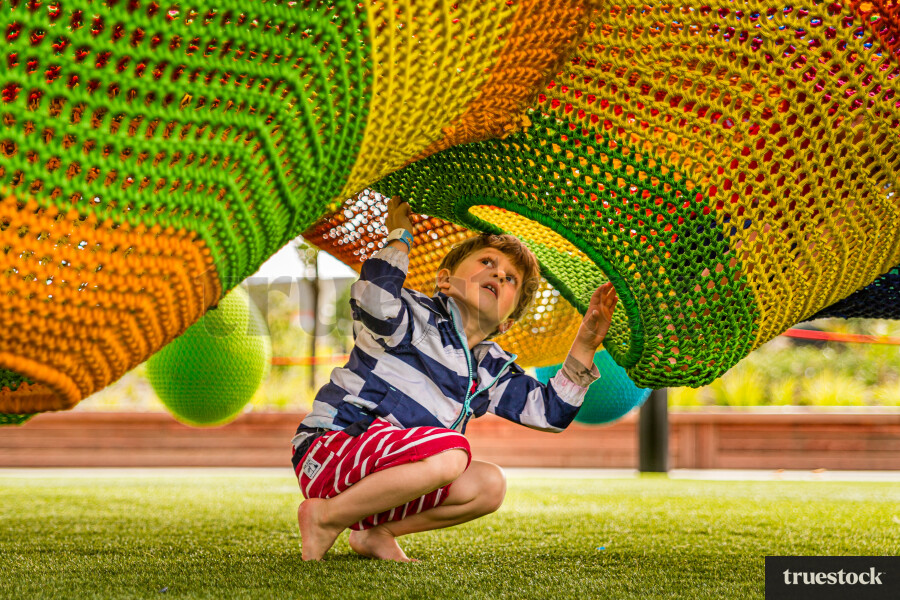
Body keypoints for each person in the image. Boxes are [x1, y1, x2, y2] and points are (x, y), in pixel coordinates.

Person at [291, 196, 618, 562]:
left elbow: (550, 413)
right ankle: (325, 518)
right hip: (333, 449)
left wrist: (586, 343)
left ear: (507, 321)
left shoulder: (488, 368)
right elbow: (373, 301)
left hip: (384, 482)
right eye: (487, 263)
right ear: (445, 281)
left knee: (489, 485)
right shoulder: (413, 316)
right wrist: (400, 235)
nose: (498, 274)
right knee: (451, 452)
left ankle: (374, 533)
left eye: (510, 279)